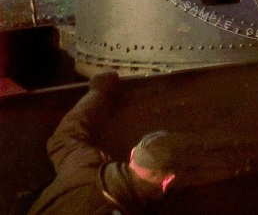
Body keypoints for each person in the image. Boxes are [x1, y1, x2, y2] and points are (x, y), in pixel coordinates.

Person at [27, 72, 180, 215]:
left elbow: (65, 136)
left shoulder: (83, 164)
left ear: (132, 153)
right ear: (167, 181)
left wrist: (100, 93)